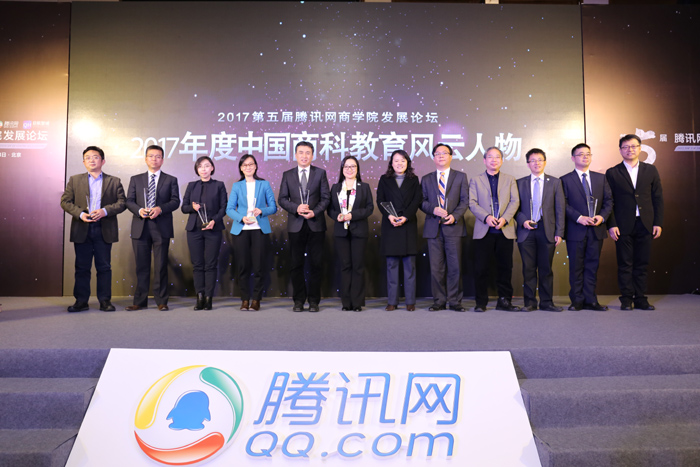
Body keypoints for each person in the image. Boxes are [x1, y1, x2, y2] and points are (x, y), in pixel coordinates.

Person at [60, 146, 126, 312]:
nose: (91, 160)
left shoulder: (114, 181)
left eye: (95, 157)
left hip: (104, 228)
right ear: (83, 162)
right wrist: (80, 214)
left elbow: (122, 203)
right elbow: (65, 201)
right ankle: (81, 301)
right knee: (82, 267)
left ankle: (105, 301)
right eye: (88, 157)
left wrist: (104, 211)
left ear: (103, 161)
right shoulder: (75, 180)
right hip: (82, 226)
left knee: (104, 267)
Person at [606, 134, 664, 310]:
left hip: (645, 223)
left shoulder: (650, 170)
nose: (630, 150)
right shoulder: (613, 172)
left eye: (633, 146)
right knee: (625, 264)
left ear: (640, 148)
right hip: (622, 225)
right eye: (625, 147)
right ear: (620, 150)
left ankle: (640, 298)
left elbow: (657, 198)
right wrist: (612, 224)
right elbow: (609, 202)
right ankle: (626, 299)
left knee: (642, 264)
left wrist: (658, 222)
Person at [125, 145, 180, 311]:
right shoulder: (136, 179)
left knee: (161, 265)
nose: (154, 159)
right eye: (151, 156)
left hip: (161, 226)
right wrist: (139, 210)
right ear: (145, 159)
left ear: (162, 160)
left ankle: (161, 301)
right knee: (141, 266)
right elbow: (129, 201)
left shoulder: (171, 179)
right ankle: (140, 301)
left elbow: (175, 201)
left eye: (158, 156)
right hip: (140, 226)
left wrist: (160, 209)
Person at [278, 141, 330, 312]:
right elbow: (282, 199)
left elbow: (326, 198)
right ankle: (298, 300)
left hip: (316, 224)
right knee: (296, 264)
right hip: (296, 225)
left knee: (316, 264)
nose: (304, 156)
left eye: (308, 152)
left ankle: (314, 301)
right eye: (301, 152)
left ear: (312, 155)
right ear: (295, 155)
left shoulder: (320, 173)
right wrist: (296, 208)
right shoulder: (287, 175)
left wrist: (315, 212)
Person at [561, 143, 613, 311]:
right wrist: (579, 218)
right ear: (573, 158)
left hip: (596, 230)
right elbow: (563, 204)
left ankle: (591, 300)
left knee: (592, 266)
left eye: (588, 154)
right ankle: (577, 300)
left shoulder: (601, 178)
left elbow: (609, 201)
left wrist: (602, 217)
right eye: (581, 154)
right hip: (575, 230)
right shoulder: (565, 180)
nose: (585, 157)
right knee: (576, 267)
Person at [469, 147, 520, 312]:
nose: (494, 160)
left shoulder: (510, 179)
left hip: (505, 229)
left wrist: (505, 218)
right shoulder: (476, 180)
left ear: (502, 161)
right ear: (484, 160)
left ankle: (504, 301)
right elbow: (472, 203)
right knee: (481, 268)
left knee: (505, 268)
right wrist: (486, 217)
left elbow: (515, 201)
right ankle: (480, 302)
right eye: (490, 157)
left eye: (497, 157)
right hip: (484, 230)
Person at [420, 143, 469, 312]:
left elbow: (465, 200)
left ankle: (455, 301)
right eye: (437, 153)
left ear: (451, 156)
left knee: (455, 267)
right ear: (433, 157)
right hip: (433, 228)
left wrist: (454, 216)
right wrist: (433, 209)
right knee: (436, 268)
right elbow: (421, 201)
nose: (441, 156)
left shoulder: (460, 177)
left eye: (444, 153)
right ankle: (439, 301)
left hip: (453, 227)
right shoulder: (426, 179)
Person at [515, 148, 565, 312]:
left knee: (546, 268)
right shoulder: (519, 183)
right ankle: (529, 302)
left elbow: (560, 209)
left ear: (545, 162)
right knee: (528, 268)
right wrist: (523, 221)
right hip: (526, 230)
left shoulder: (555, 182)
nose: (536, 163)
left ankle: (547, 302)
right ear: (527, 164)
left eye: (540, 160)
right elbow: (514, 208)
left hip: (547, 229)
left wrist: (559, 232)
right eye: (533, 160)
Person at [226, 154, 278, 311]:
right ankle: (244, 299)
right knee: (242, 266)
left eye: (251, 164)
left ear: (256, 166)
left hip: (259, 229)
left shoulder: (264, 184)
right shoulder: (237, 186)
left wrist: (261, 210)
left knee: (259, 266)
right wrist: (241, 218)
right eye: (245, 165)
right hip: (241, 230)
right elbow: (229, 209)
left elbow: (273, 207)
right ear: (241, 168)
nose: (248, 167)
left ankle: (256, 299)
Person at [327, 156, 374, 311]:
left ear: (357, 169)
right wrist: (337, 216)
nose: (349, 169)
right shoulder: (336, 188)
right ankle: (346, 302)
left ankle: (357, 302)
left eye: (353, 166)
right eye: (346, 166)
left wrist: (352, 215)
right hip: (341, 232)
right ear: (342, 169)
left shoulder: (364, 187)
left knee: (358, 267)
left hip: (359, 231)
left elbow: (369, 208)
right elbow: (330, 209)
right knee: (345, 266)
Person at [377, 150, 422, 311]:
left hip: (408, 225)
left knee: (410, 267)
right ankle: (392, 301)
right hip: (391, 226)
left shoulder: (414, 180)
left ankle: (410, 301)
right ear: (391, 163)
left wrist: (406, 217)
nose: (399, 163)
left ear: (407, 162)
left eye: (403, 160)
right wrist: (390, 216)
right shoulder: (384, 179)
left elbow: (416, 200)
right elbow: (380, 200)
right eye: (396, 161)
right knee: (392, 266)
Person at [181, 156, 228, 310]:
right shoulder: (192, 185)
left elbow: (224, 207)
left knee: (211, 264)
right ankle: (199, 297)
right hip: (194, 229)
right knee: (197, 265)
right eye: (200, 166)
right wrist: (192, 207)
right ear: (197, 169)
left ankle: (208, 298)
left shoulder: (219, 185)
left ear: (212, 168)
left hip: (213, 229)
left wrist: (214, 220)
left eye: (207, 166)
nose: (204, 169)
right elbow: (184, 208)